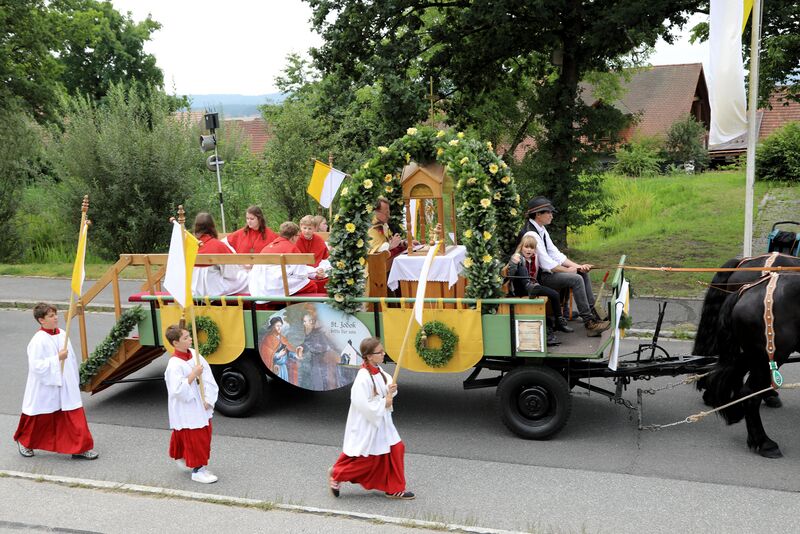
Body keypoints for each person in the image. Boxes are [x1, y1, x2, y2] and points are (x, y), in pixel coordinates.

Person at [328, 337, 415, 500]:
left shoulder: (378, 371)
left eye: (382, 351)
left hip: (383, 422)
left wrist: (391, 390)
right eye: (379, 352)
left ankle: (395, 488)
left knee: (397, 448)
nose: (383, 354)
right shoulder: (363, 378)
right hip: (370, 424)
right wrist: (384, 403)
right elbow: (363, 404)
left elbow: (386, 388)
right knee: (371, 460)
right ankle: (338, 473)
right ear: (369, 356)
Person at [13, 303, 99, 460]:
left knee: (74, 415)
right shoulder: (38, 340)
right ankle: (25, 442)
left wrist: (73, 379)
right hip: (46, 385)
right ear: (41, 320)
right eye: (51, 316)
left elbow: (71, 360)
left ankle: (80, 448)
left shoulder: (63, 334)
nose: (56, 318)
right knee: (40, 417)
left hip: (65, 383)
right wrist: (57, 358)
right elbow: (36, 366)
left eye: (55, 314)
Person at [520, 196, 610, 337]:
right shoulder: (531, 233)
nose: (551, 215)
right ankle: (590, 323)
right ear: (538, 215)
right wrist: (569, 270)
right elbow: (547, 264)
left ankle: (594, 314)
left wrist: (579, 267)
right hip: (537, 279)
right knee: (576, 279)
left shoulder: (541, 229)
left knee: (582, 273)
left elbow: (556, 255)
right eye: (548, 212)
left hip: (546, 273)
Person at [164, 324, 219, 484]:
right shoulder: (174, 365)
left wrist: (208, 398)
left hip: (200, 403)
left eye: (189, 336)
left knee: (203, 434)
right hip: (187, 407)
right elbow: (176, 391)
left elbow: (207, 376)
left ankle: (185, 458)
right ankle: (198, 470)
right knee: (196, 437)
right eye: (186, 338)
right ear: (176, 343)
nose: (190, 340)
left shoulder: (194, 354)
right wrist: (193, 374)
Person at [506, 234, 573, 346]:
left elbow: (545, 268)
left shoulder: (534, 258)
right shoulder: (518, 258)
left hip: (534, 287)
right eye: (526, 247)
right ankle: (530, 287)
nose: (529, 250)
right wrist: (513, 263)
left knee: (555, 294)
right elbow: (511, 276)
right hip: (521, 290)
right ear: (521, 247)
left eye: (531, 248)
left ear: (535, 250)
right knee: (522, 267)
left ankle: (559, 321)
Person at [248, 222, 325, 297]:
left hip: (261, 286)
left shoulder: (267, 247)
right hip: (279, 286)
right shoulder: (291, 248)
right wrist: (314, 273)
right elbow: (300, 272)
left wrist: (313, 272)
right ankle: (295, 305)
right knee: (311, 285)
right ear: (293, 237)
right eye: (298, 236)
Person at [192, 212, 249, 297]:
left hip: (193, 288)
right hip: (213, 289)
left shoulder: (191, 245)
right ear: (212, 227)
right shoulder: (217, 245)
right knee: (247, 277)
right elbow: (231, 274)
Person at [259, 316, 304, 385]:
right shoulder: (268, 339)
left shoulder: (282, 338)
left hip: (284, 368)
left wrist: (296, 355)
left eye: (280, 326)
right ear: (273, 327)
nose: (279, 328)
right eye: (277, 326)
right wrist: (278, 355)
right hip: (275, 368)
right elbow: (266, 356)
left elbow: (288, 351)